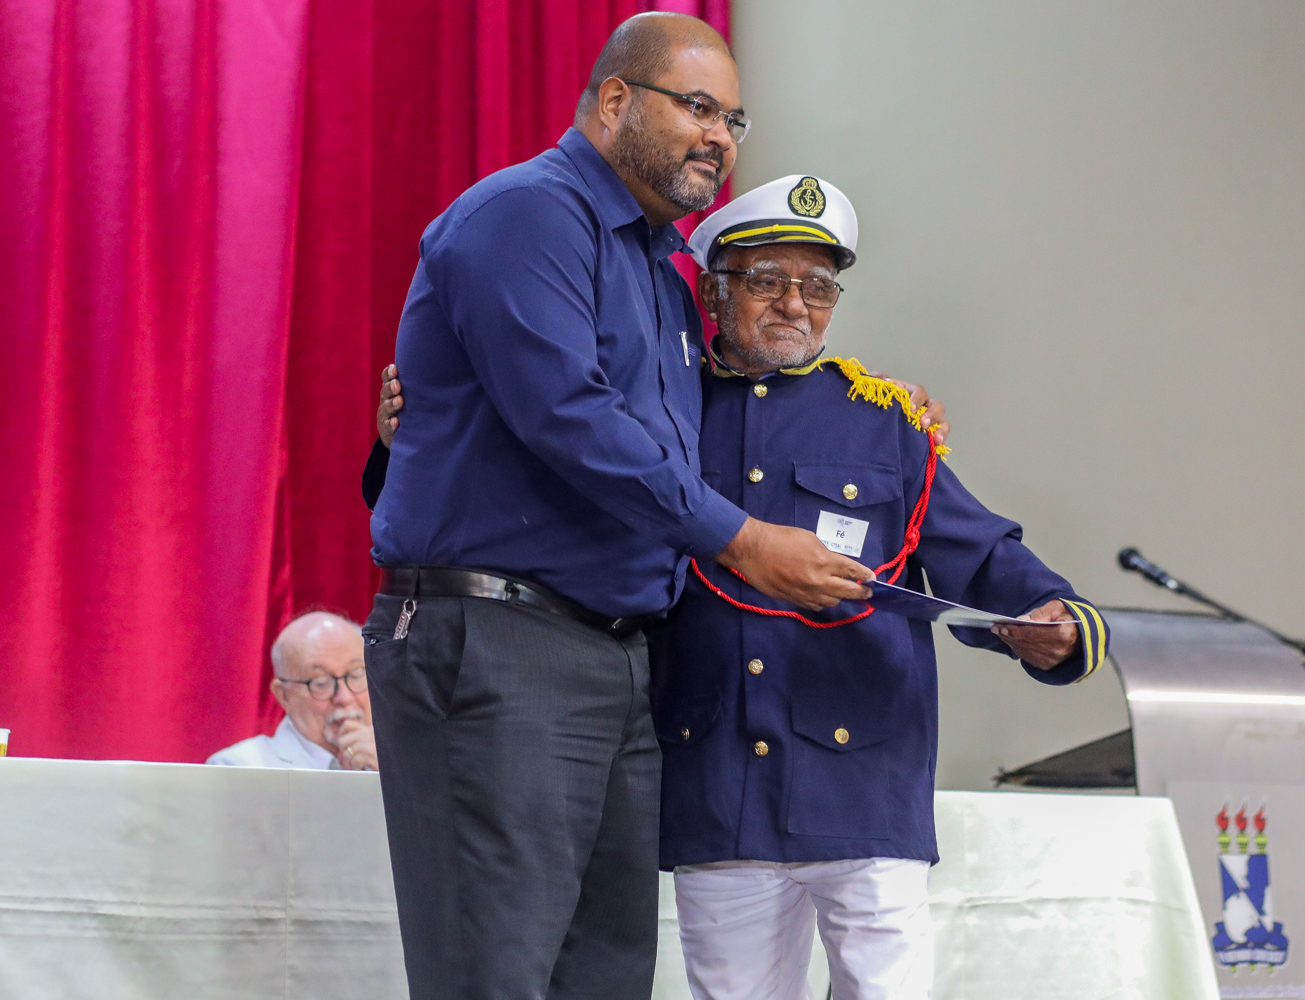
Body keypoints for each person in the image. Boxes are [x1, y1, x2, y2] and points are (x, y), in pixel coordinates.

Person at [362, 13, 876, 1000]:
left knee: (602, 978)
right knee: (495, 973)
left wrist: (875, 417)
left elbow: (717, 427)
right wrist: (741, 537)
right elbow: (569, 417)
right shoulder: (526, 216)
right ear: (612, 100)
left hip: (618, 652)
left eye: (733, 117)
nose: (720, 136)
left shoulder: (661, 270)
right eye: (696, 107)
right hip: (503, 641)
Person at [644, 175, 1111, 1000]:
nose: (796, 304)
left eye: (818, 287)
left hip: (863, 779)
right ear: (714, 289)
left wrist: (1053, 617)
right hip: (717, 782)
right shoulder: (667, 414)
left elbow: (979, 547)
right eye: (768, 281)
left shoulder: (883, 419)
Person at [208, 612, 378, 771]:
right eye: (321, 682)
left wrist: (392, 770)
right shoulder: (239, 768)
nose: (344, 697)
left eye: (356, 674)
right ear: (283, 695)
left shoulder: (398, 759)